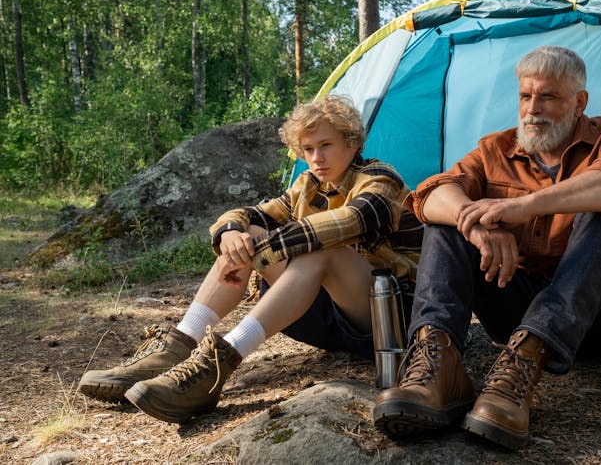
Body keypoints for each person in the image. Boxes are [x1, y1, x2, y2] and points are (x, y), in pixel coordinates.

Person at [372, 46, 601, 449]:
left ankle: (522, 364)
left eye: (548, 97)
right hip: (516, 309)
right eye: (526, 96)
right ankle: (437, 366)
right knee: (451, 218)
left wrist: (523, 206)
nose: (532, 109)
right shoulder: (496, 150)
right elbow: (429, 194)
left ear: (580, 103)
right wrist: (477, 227)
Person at [78, 95, 422, 423]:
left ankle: (217, 364)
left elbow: (353, 220)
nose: (317, 157)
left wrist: (274, 245)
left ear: (351, 142)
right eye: (308, 149)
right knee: (249, 236)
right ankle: (178, 345)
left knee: (322, 246)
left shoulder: (380, 179)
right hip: (331, 318)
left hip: (390, 320)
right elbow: (251, 214)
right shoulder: (307, 186)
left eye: (326, 145)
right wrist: (229, 233)